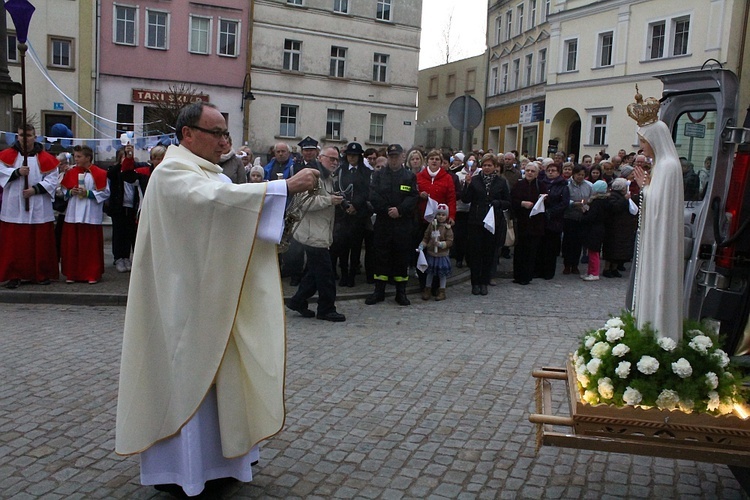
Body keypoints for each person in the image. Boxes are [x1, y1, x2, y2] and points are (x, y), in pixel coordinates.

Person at [115, 102, 319, 497]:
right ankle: (184, 471)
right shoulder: (173, 173)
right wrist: (284, 187)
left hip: (212, 298)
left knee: (220, 383)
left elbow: (226, 209)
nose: (224, 142)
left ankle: (223, 462)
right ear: (187, 134)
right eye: (216, 133)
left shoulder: (205, 172)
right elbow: (213, 204)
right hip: (182, 307)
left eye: (226, 133)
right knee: (188, 380)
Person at [630, 89, 684, 341]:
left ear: (655, 139)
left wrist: (645, 189)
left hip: (662, 244)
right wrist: (649, 188)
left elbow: (662, 208)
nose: (641, 147)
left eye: (643, 141)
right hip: (654, 240)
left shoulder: (668, 166)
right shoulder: (661, 166)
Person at [286, 146, 346, 322]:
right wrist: (329, 200)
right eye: (331, 159)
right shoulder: (311, 177)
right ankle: (326, 309)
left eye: (336, 159)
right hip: (312, 234)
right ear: (321, 158)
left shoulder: (327, 177)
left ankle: (297, 301)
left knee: (314, 273)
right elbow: (304, 202)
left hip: (319, 232)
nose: (334, 162)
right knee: (326, 274)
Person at [0, 124, 60, 289]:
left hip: (38, 204)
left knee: (38, 242)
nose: (24, 139)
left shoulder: (46, 158)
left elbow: (52, 179)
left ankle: (40, 273)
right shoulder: (6, 156)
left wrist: (35, 189)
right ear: (16, 136)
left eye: (28, 135)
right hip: (14, 204)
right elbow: (0, 172)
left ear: (35, 137)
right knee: (15, 243)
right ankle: (14, 275)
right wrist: (17, 172)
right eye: (21, 135)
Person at [366, 144, 418, 306]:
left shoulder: (409, 176)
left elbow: (413, 197)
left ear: (402, 157)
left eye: (397, 156)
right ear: (388, 157)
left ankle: (400, 292)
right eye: (391, 156)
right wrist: (388, 209)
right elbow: (373, 196)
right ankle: (379, 291)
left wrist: (400, 210)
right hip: (384, 222)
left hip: (402, 224)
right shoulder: (379, 175)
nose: (394, 159)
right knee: (380, 256)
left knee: (401, 257)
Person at [60, 145, 110, 284]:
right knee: (73, 245)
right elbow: (63, 191)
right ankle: (72, 273)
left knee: (90, 246)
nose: (76, 159)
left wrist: (88, 193)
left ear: (88, 157)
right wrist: (71, 192)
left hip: (90, 212)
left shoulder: (99, 173)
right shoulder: (71, 172)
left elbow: (105, 192)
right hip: (74, 212)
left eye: (79, 156)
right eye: (75, 156)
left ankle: (91, 273)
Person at [462, 153, 510, 295]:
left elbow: (508, 202)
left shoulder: (501, 182)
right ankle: (475, 283)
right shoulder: (475, 180)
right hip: (476, 221)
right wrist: (467, 185)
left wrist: (498, 203)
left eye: (490, 165)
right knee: (475, 253)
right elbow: (465, 199)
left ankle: (484, 282)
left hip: (493, 221)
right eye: (484, 165)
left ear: (495, 167)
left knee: (488, 253)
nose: (487, 168)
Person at [415, 149, 456, 295]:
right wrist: (420, 195)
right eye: (431, 158)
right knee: (424, 252)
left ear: (441, 162)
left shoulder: (447, 178)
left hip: (440, 222)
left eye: (437, 159)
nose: (434, 161)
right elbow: (414, 194)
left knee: (439, 253)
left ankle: (438, 287)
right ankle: (424, 284)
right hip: (423, 220)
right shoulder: (420, 176)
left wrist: (451, 216)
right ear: (427, 161)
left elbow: (451, 198)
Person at [330, 142, 371, 287]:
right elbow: (336, 188)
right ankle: (344, 274)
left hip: (358, 214)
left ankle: (352, 274)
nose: (351, 158)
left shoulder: (366, 172)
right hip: (342, 214)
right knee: (342, 246)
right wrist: (345, 205)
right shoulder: (340, 170)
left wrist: (355, 205)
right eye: (349, 155)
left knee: (356, 247)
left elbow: (366, 192)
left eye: (354, 155)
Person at [106, 144, 142, 273]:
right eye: (122, 158)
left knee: (130, 232)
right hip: (119, 207)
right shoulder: (115, 171)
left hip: (131, 206)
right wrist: (122, 164)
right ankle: (118, 257)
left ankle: (127, 256)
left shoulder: (134, 171)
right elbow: (109, 174)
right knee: (118, 233)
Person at [511, 161, 547, 285]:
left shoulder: (541, 185)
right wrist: (522, 203)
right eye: (527, 171)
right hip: (521, 221)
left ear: (537, 173)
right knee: (519, 250)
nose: (530, 173)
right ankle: (518, 275)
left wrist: (544, 198)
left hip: (536, 223)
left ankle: (527, 276)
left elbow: (547, 202)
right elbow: (512, 200)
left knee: (531, 251)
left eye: (532, 171)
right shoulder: (518, 185)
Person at [536, 163, 570, 280]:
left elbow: (564, 203)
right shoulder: (541, 183)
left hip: (555, 220)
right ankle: (538, 270)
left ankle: (549, 272)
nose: (550, 172)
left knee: (551, 248)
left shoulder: (563, 185)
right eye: (548, 170)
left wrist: (551, 211)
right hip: (541, 218)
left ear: (558, 172)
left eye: (553, 170)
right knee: (540, 246)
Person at [417, 204, 453, 301]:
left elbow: (450, 241)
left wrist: (442, 244)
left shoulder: (447, 228)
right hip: (431, 253)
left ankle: (442, 290)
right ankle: (427, 289)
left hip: (442, 255)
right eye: (439, 214)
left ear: (446, 216)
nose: (441, 216)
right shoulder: (432, 226)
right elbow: (426, 237)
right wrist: (422, 245)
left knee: (442, 274)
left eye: (443, 215)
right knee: (430, 273)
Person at [602, 177, 636, 278]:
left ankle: (614, 268)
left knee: (619, 250)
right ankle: (607, 268)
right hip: (613, 227)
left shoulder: (621, 196)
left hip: (622, 227)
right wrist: (624, 199)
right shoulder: (612, 196)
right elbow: (615, 207)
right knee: (612, 250)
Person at [562, 165, 592, 275]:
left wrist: (586, 206)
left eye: (583, 175)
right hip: (569, 216)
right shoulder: (567, 184)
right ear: (574, 174)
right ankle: (567, 264)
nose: (580, 177)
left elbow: (591, 199)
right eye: (578, 174)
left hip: (582, 217)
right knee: (568, 242)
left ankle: (575, 264)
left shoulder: (588, 186)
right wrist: (573, 204)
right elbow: (564, 199)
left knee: (578, 243)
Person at [580, 180, 609, 281]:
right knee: (592, 251)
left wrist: (584, 213)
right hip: (599, 227)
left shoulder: (596, 203)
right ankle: (590, 271)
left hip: (594, 229)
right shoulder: (606, 201)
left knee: (593, 252)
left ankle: (594, 272)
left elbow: (591, 217)